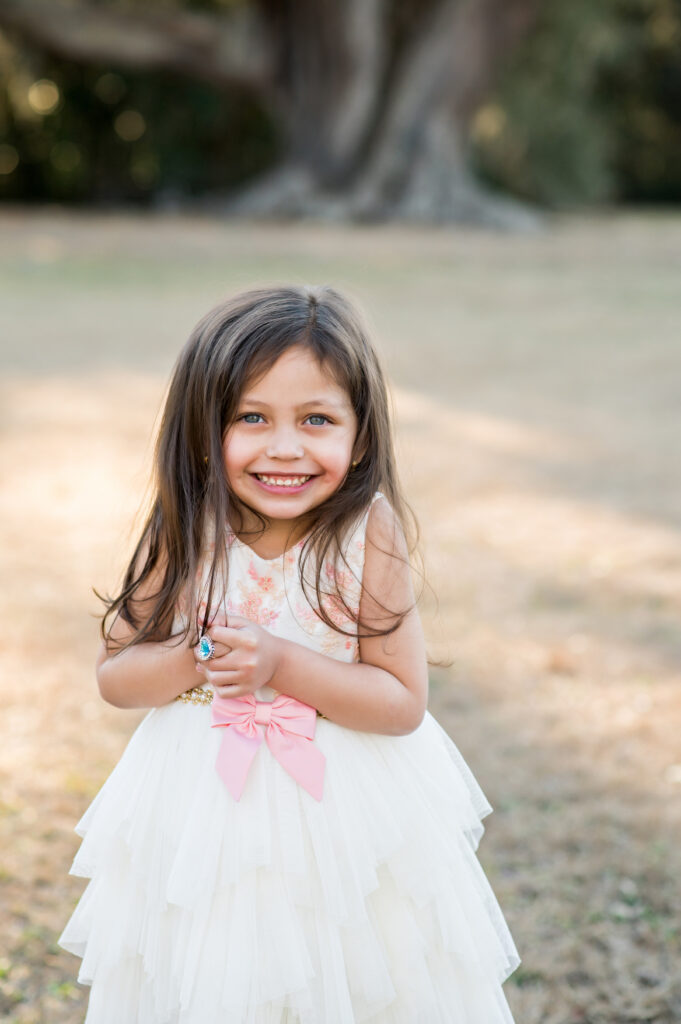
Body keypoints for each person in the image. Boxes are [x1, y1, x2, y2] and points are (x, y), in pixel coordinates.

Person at [59, 284, 521, 1022]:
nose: (284, 447)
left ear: (360, 434)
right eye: (250, 417)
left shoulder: (366, 533)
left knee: (357, 970)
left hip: (344, 809)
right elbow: (117, 677)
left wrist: (282, 665)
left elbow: (400, 703)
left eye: (316, 420)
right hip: (201, 808)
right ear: (202, 431)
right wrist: (193, 659)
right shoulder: (187, 529)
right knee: (214, 971)